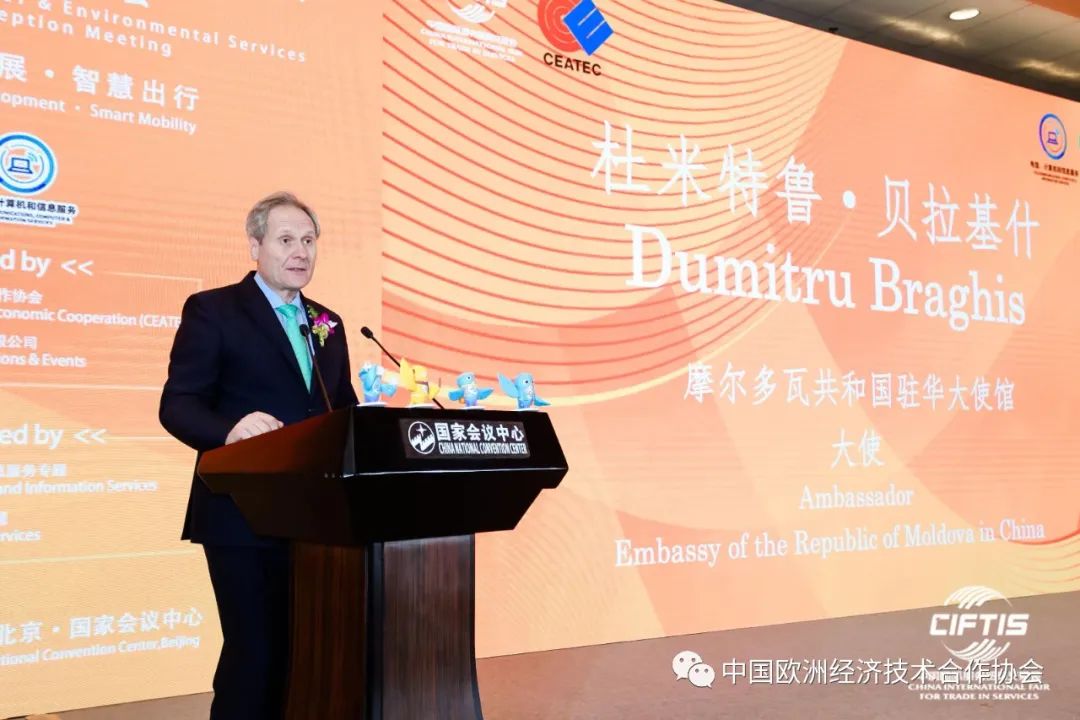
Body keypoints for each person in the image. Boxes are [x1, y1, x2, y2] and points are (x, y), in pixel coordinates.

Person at [158, 191, 359, 719]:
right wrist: (229, 430)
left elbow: (343, 411)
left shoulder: (328, 323)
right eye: (286, 239)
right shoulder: (214, 310)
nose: (300, 252)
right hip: (240, 513)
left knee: (308, 654)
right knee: (255, 655)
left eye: (309, 241)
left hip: (317, 519)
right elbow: (177, 405)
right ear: (255, 245)